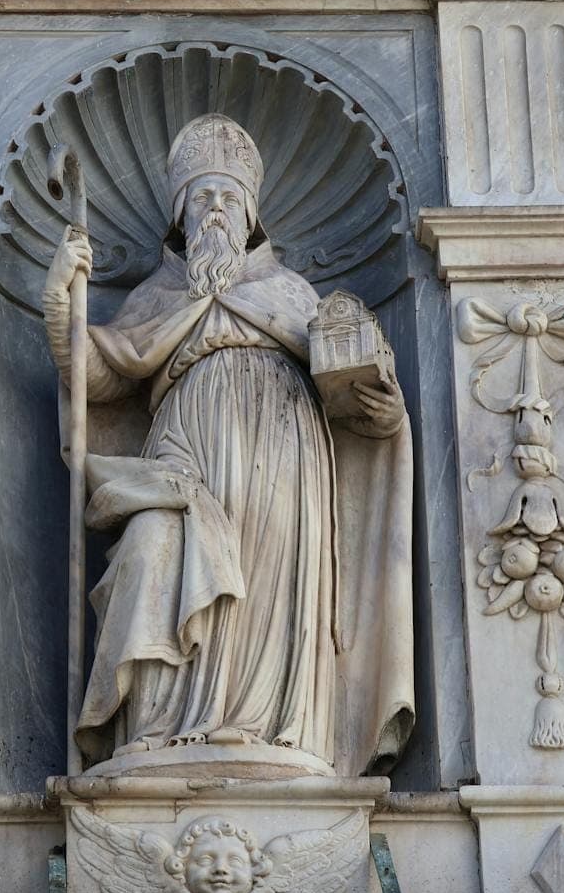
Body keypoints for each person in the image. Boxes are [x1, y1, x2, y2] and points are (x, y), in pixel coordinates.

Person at [42, 113, 416, 776]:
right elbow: (99, 374)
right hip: (185, 445)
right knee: (156, 545)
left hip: (284, 453)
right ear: (181, 216)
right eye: (202, 197)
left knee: (266, 586)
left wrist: (382, 412)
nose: (215, 208)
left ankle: (272, 729)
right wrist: (60, 305)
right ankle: (155, 729)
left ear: (251, 214)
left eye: (228, 197)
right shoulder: (156, 296)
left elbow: (358, 391)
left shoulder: (293, 293)